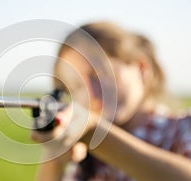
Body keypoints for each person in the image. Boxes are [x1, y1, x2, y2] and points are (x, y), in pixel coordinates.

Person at [31, 22, 191, 181]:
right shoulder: (87, 160)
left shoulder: (182, 129)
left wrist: (95, 131)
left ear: (142, 68)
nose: (92, 92)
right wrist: (55, 159)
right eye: (78, 86)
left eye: (100, 74)